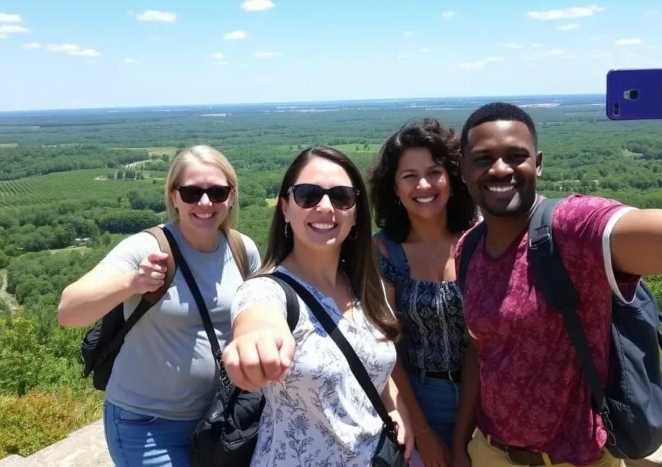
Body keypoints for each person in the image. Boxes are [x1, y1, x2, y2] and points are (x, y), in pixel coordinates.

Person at [451, 48, 662, 467]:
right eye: (482, 159)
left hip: (574, 459)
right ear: (463, 170)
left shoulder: (573, 229)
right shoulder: (468, 248)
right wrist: (462, 441)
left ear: (538, 164)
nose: (499, 169)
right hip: (489, 451)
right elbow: (481, 349)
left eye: (516, 156)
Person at [56, 145, 262, 467]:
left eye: (217, 192)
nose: (205, 203)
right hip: (147, 425)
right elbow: (68, 311)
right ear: (174, 196)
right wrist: (133, 283)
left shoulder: (241, 249)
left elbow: (259, 319)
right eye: (192, 193)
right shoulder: (146, 247)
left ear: (231, 195)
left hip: (219, 418)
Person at [223, 145, 415, 466]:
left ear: (355, 213)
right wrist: (254, 340)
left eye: (341, 197)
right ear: (285, 208)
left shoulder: (368, 287)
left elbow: (371, 361)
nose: (325, 207)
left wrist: (396, 407)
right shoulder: (267, 290)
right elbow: (257, 317)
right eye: (308, 195)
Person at [368, 118, 480, 467]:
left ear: (452, 178)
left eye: (434, 172)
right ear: (394, 187)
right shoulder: (384, 251)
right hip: (418, 397)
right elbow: (387, 346)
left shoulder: (480, 240)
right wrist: (425, 432)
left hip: (488, 394)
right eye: (409, 176)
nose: (423, 185)